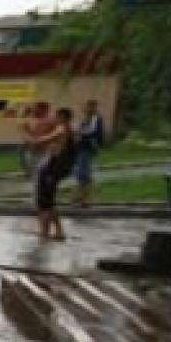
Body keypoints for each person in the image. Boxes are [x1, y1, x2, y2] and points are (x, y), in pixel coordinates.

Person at [29, 107, 75, 241]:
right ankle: (58, 232)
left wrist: (32, 137)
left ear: (62, 117)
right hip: (56, 169)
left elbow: (43, 140)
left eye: (56, 116)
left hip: (52, 169)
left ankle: (45, 232)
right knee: (50, 201)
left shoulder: (62, 129)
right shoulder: (69, 130)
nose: (54, 118)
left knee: (43, 203)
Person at [73, 98, 105, 207]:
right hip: (81, 148)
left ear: (93, 107)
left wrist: (79, 132)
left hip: (88, 148)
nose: (85, 108)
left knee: (84, 174)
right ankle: (80, 196)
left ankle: (85, 199)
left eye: (87, 106)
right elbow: (79, 129)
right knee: (80, 173)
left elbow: (91, 131)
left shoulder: (96, 118)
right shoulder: (85, 119)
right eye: (85, 106)